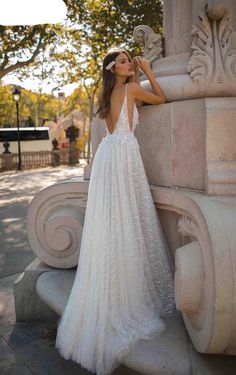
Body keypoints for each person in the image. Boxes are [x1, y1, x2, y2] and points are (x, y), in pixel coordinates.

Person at [55, 47, 175, 375]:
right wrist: (148, 71)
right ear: (115, 69)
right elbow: (161, 99)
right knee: (128, 218)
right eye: (124, 62)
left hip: (109, 156)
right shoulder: (130, 88)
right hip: (123, 157)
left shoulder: (107, 96)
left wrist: (136, 70)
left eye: (129, 61)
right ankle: (124, 295)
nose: (129, 64)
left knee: (111, 222)